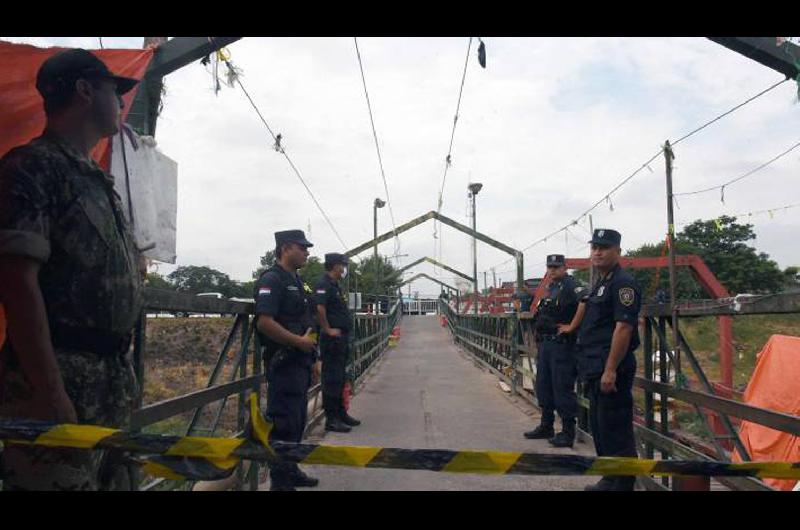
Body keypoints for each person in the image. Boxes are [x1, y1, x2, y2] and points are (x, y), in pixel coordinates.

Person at [0, 48, 145, 490]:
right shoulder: (32, 167)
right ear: (84, 91)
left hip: (110, 382)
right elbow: (17, 284)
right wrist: (49, 391)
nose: (121, 102)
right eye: (113, 91)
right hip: (61, 380)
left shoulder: (95, 180)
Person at [574, 229, 641, 491]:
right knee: (601, 426)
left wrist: (611, 369)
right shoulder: (602, 283)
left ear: (618, 252)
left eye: (604, 247)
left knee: (615, 427)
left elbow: (623, 328)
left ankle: (623, 483)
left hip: (611, 366)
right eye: (594, 247)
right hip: (594, 365)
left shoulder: (623, 283)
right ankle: (609, 477)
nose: (598, 252)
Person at [254, 230, 321, 491]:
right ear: (285, 248)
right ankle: (280, 484)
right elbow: (264, 323)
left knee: (297, 421)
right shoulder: (272, 279)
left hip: (301, 362)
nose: (307, 252)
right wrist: (299, 343)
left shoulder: (299, 282)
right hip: (283, 363)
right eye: (301, 247)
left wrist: (313, 357)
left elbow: (307, 321)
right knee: (283, 423)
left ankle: (290, 470)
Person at [524, 255, 585, 448]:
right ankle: (546, 425)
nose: (552, 270)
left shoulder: (571, 284)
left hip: (562, 344)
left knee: (562, 387)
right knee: (544, 386)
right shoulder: (551, 288)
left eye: (556, 267)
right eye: (549, 267)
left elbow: (585, 300)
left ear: (564, 267)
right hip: (547, 344)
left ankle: (568, 432)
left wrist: (572, 326)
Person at [314, 253, 361, 432]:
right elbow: (319, 308)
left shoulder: (334, 285)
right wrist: (327, 329)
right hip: (332, 340)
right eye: (342, 265)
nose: (344, 269)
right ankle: (331, 419)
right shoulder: (323, 284)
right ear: (334, 266)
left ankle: (341, 413)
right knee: (332, 379)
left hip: (340, 339)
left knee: (340, 378)